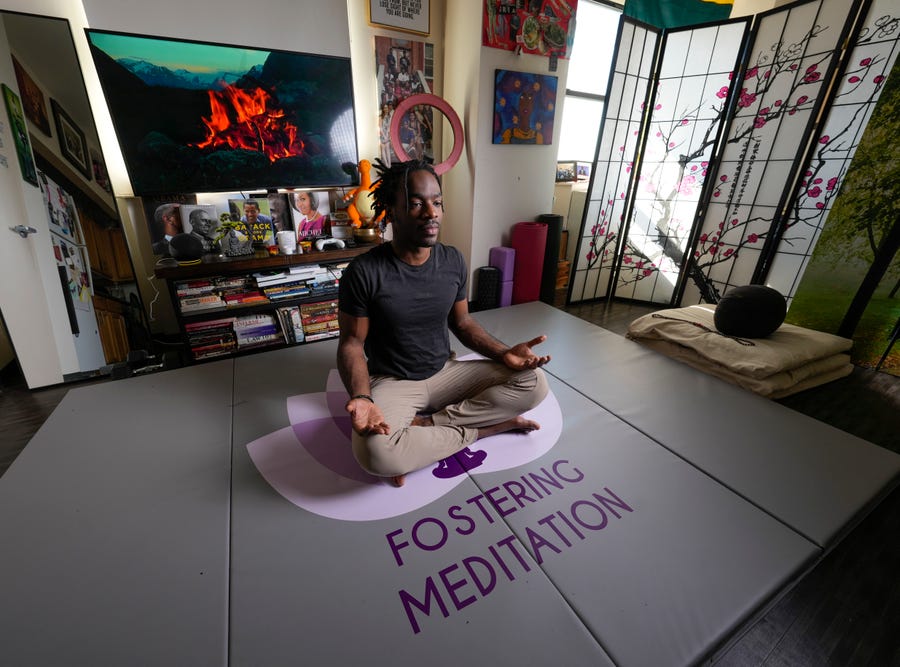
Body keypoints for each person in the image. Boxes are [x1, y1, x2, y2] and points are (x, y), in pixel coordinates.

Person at [337, 159, 551, 488]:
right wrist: (364, 399)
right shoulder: (364, 272)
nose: (431, 212)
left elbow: (463, 324)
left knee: (534, 382)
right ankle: (484, 430)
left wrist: (504, 353)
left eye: (436, 202)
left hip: (446, 373)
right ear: (392, 210)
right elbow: (351, 343)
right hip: (394, 381)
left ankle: (427, 427)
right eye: (417, 203)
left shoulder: (453, 261)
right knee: (375, 452)